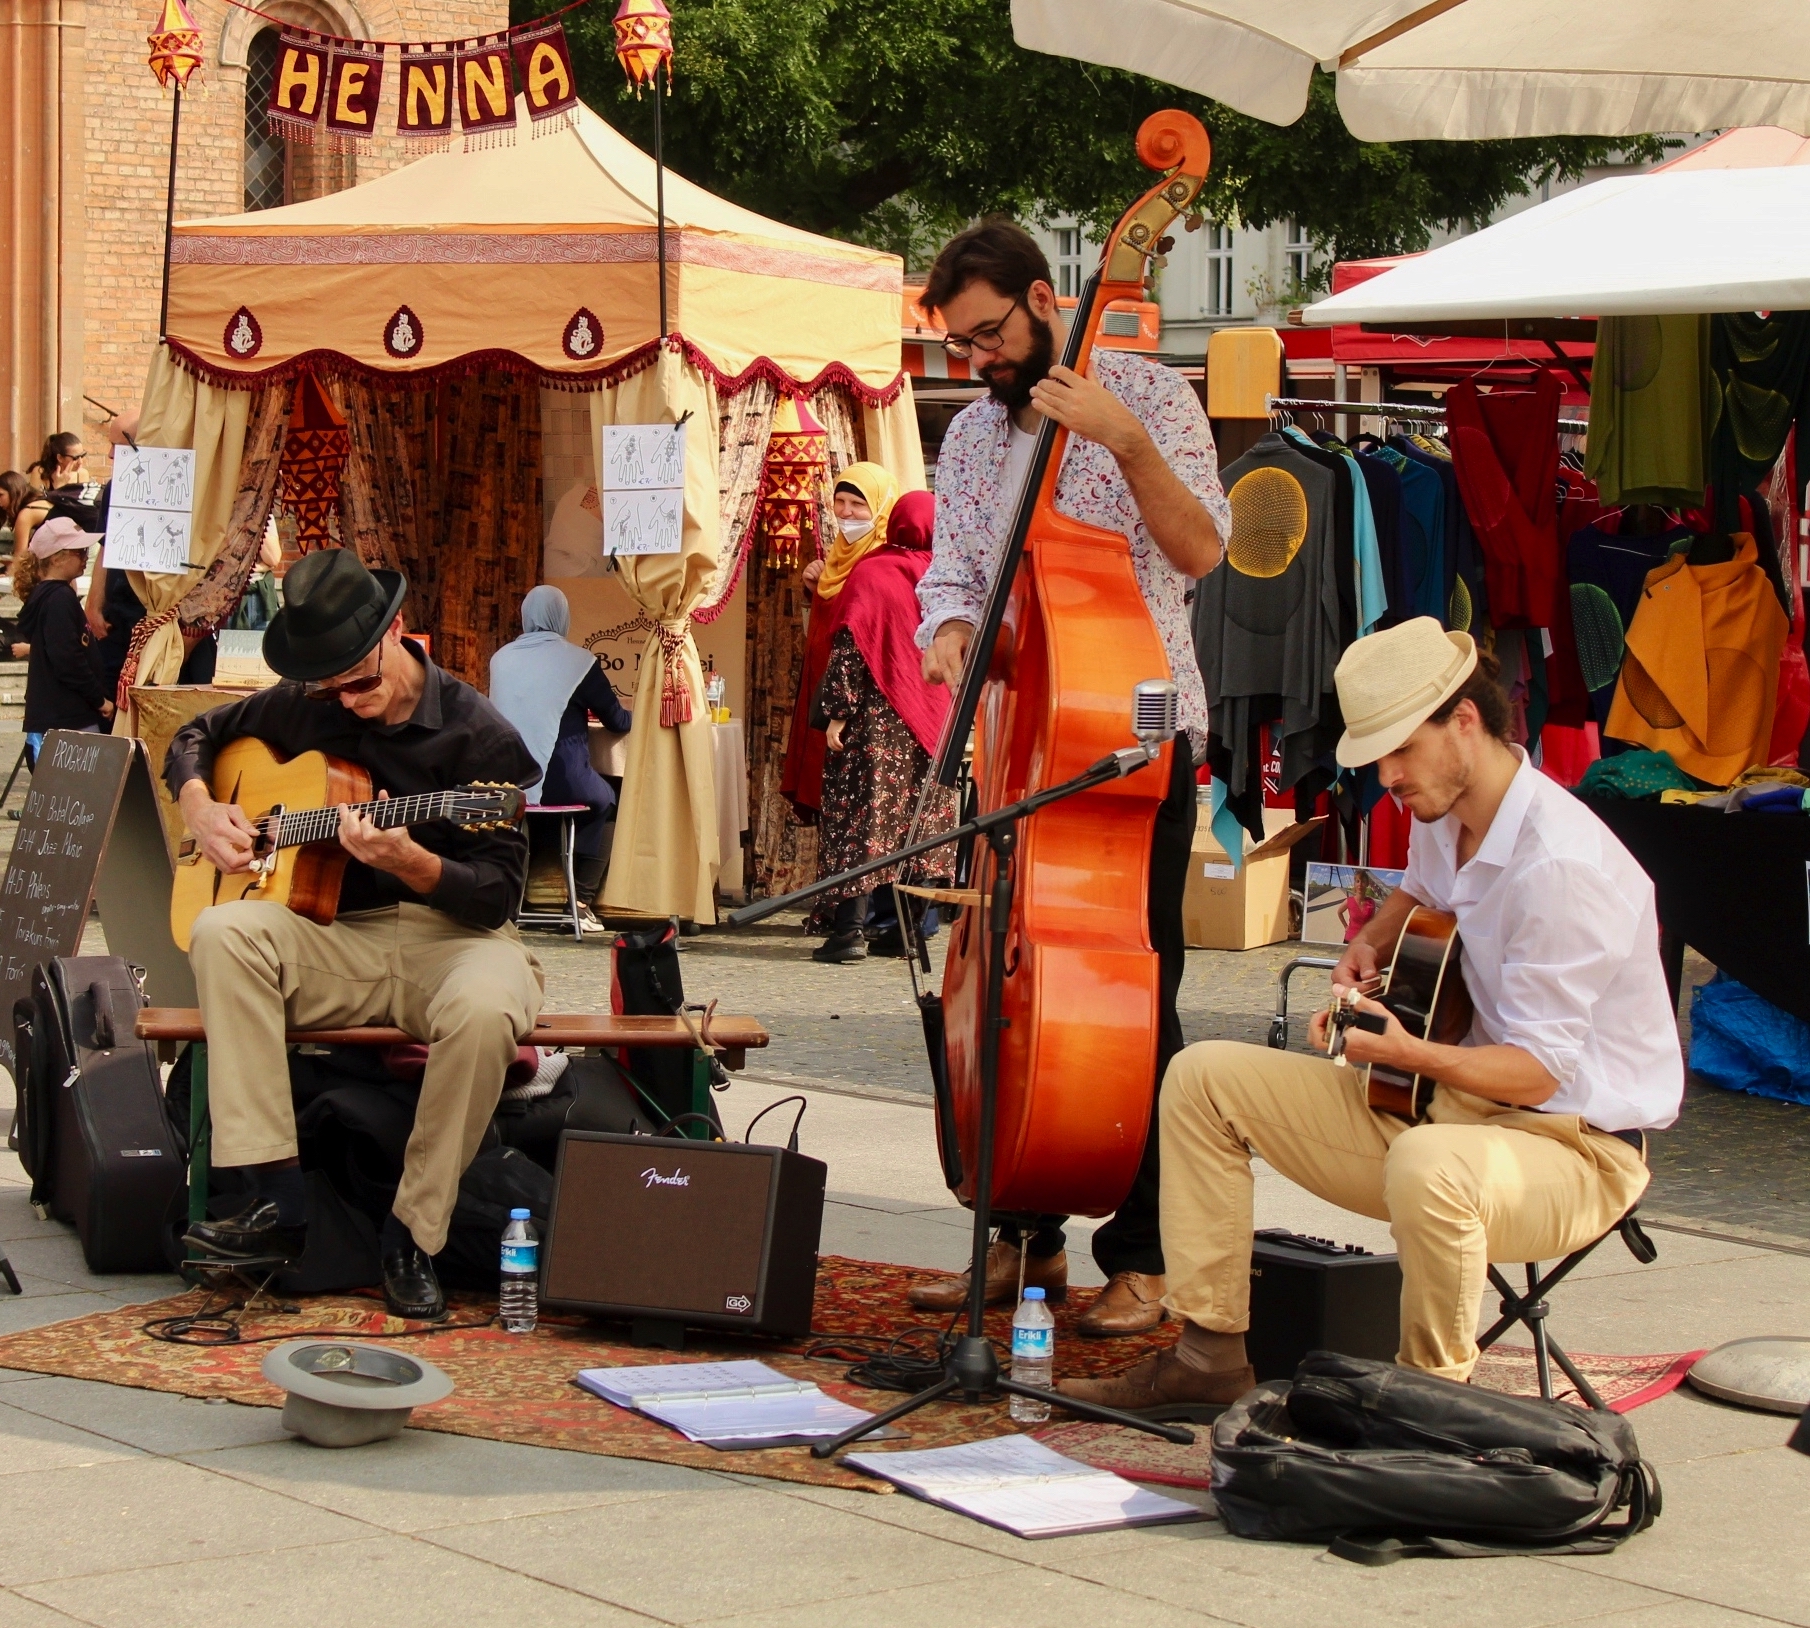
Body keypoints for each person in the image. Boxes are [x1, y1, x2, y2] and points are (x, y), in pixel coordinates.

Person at [1058, 618, 1684, 1414]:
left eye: (1400, 750)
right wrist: (1369, 943)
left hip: (1574, 1148)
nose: (1386, 775)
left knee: (1430, 1166)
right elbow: (1422, 889)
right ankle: (1208, 1356)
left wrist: (1406, 1053)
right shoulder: (1447, 808)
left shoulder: (1561, 866)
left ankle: (1431, 1407)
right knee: (1200, 1077)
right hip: (1444, 1108)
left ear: (1465, 720)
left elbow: (1536, 1073)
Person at [908, 220, 1231, 1336]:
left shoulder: (1149, 395)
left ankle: (1145, 1254)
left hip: (1135, 735)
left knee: (1136, 996)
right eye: (960, 344)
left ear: (1046, 300)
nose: (977, 361)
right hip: (1019, 741)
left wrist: (1125, 441)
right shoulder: (970, 437)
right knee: (1010, 988)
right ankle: (1021, 1231)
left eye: (989, 334)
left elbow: (1201, 551)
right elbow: (952, 569)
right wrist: (951, 627)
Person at [167, 549, 545, 1321]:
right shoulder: (308, 701)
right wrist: (202, 809)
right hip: (336, 935)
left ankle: (414, 1235)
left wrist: (412, 862)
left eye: (359, 681)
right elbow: (194, 735)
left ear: (395, 633)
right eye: (329, 686)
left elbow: (497, 897)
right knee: (223, 929)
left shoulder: (478, 736)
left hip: (456, 941)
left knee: (486, 1010)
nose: (346, 699)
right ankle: (275, 1201)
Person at [807, 491, 954, 963]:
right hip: (934, 722)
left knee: (863, 818)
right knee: (921, 823)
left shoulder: (872, 571)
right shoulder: (946, 580)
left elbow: (850, 644)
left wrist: (838, 712)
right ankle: (907, 934)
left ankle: (848, 934)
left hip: (876, 721)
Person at [489, 585, 633, 931]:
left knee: (536, 811)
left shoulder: (500, 658)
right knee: (608, 800)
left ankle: (517, 901)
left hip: (507, 783)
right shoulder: (579, 662)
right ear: (563, 617)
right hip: (560, 781)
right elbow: (617, 721)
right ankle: (580, 901)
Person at [780, 462, 901, 832]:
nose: (846, 512)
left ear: (881, 507)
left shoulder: (883, 563)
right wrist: (813, 590)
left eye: (859, 504)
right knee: (827, 800)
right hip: (824, 689)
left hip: (857, 700)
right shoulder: (838, 556)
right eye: (840, 501)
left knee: (853, 804)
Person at [18, 516, 114, 760]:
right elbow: (67, 658)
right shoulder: (58, 599)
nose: (85, 557)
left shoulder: (50, 597)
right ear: (56, 558)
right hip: (67, 722)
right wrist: (99, 699)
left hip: (60, 719)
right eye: (79, 552)